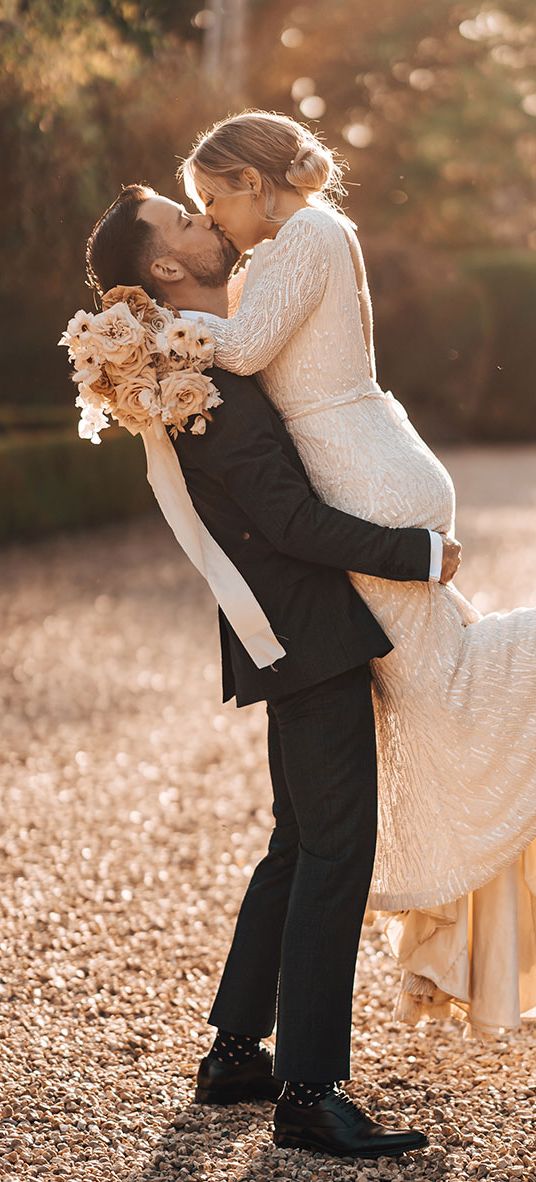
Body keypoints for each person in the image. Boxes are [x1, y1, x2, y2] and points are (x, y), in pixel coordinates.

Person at [85, 186, 461, 1159]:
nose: (206, 221)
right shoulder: (204, 387)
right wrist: (415, 552)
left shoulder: (201, 366)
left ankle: (235, 1054)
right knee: (335, 851)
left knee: (299, 842)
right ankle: (308, 1091)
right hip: (305, 635)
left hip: (283, 632)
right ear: (166, 268)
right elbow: (289, 522)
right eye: (184, 218)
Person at [179, 111, 536, 1038]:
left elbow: (246, 350)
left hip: (370, 488)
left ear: (256, 183)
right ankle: (446, 951)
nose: (213, 221)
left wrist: (145, 330)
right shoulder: (298, 242)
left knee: (450, 693)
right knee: (439, 691)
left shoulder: (308, 231)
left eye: (214, 200)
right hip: (376, 470)